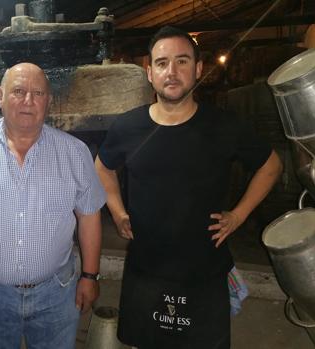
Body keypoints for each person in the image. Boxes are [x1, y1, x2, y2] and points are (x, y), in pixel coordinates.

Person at [95, 26, 283, 349]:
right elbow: (102, 167)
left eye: (182, 61)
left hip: (204, 272)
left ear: (197, 70)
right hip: (145, 270)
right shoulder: (128, 126)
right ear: (149, 73)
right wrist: (116, 207)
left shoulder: (224, 126)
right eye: (162, 62)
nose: (172, 72)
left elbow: (272, 165)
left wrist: (238, 216)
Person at [0, 62, 106, 349]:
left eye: (38, 93)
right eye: (18, 91)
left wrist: (90, 276)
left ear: (49, 100)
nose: (28, 101)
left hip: (57, 294)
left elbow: (89, 216)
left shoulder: (74, 152)